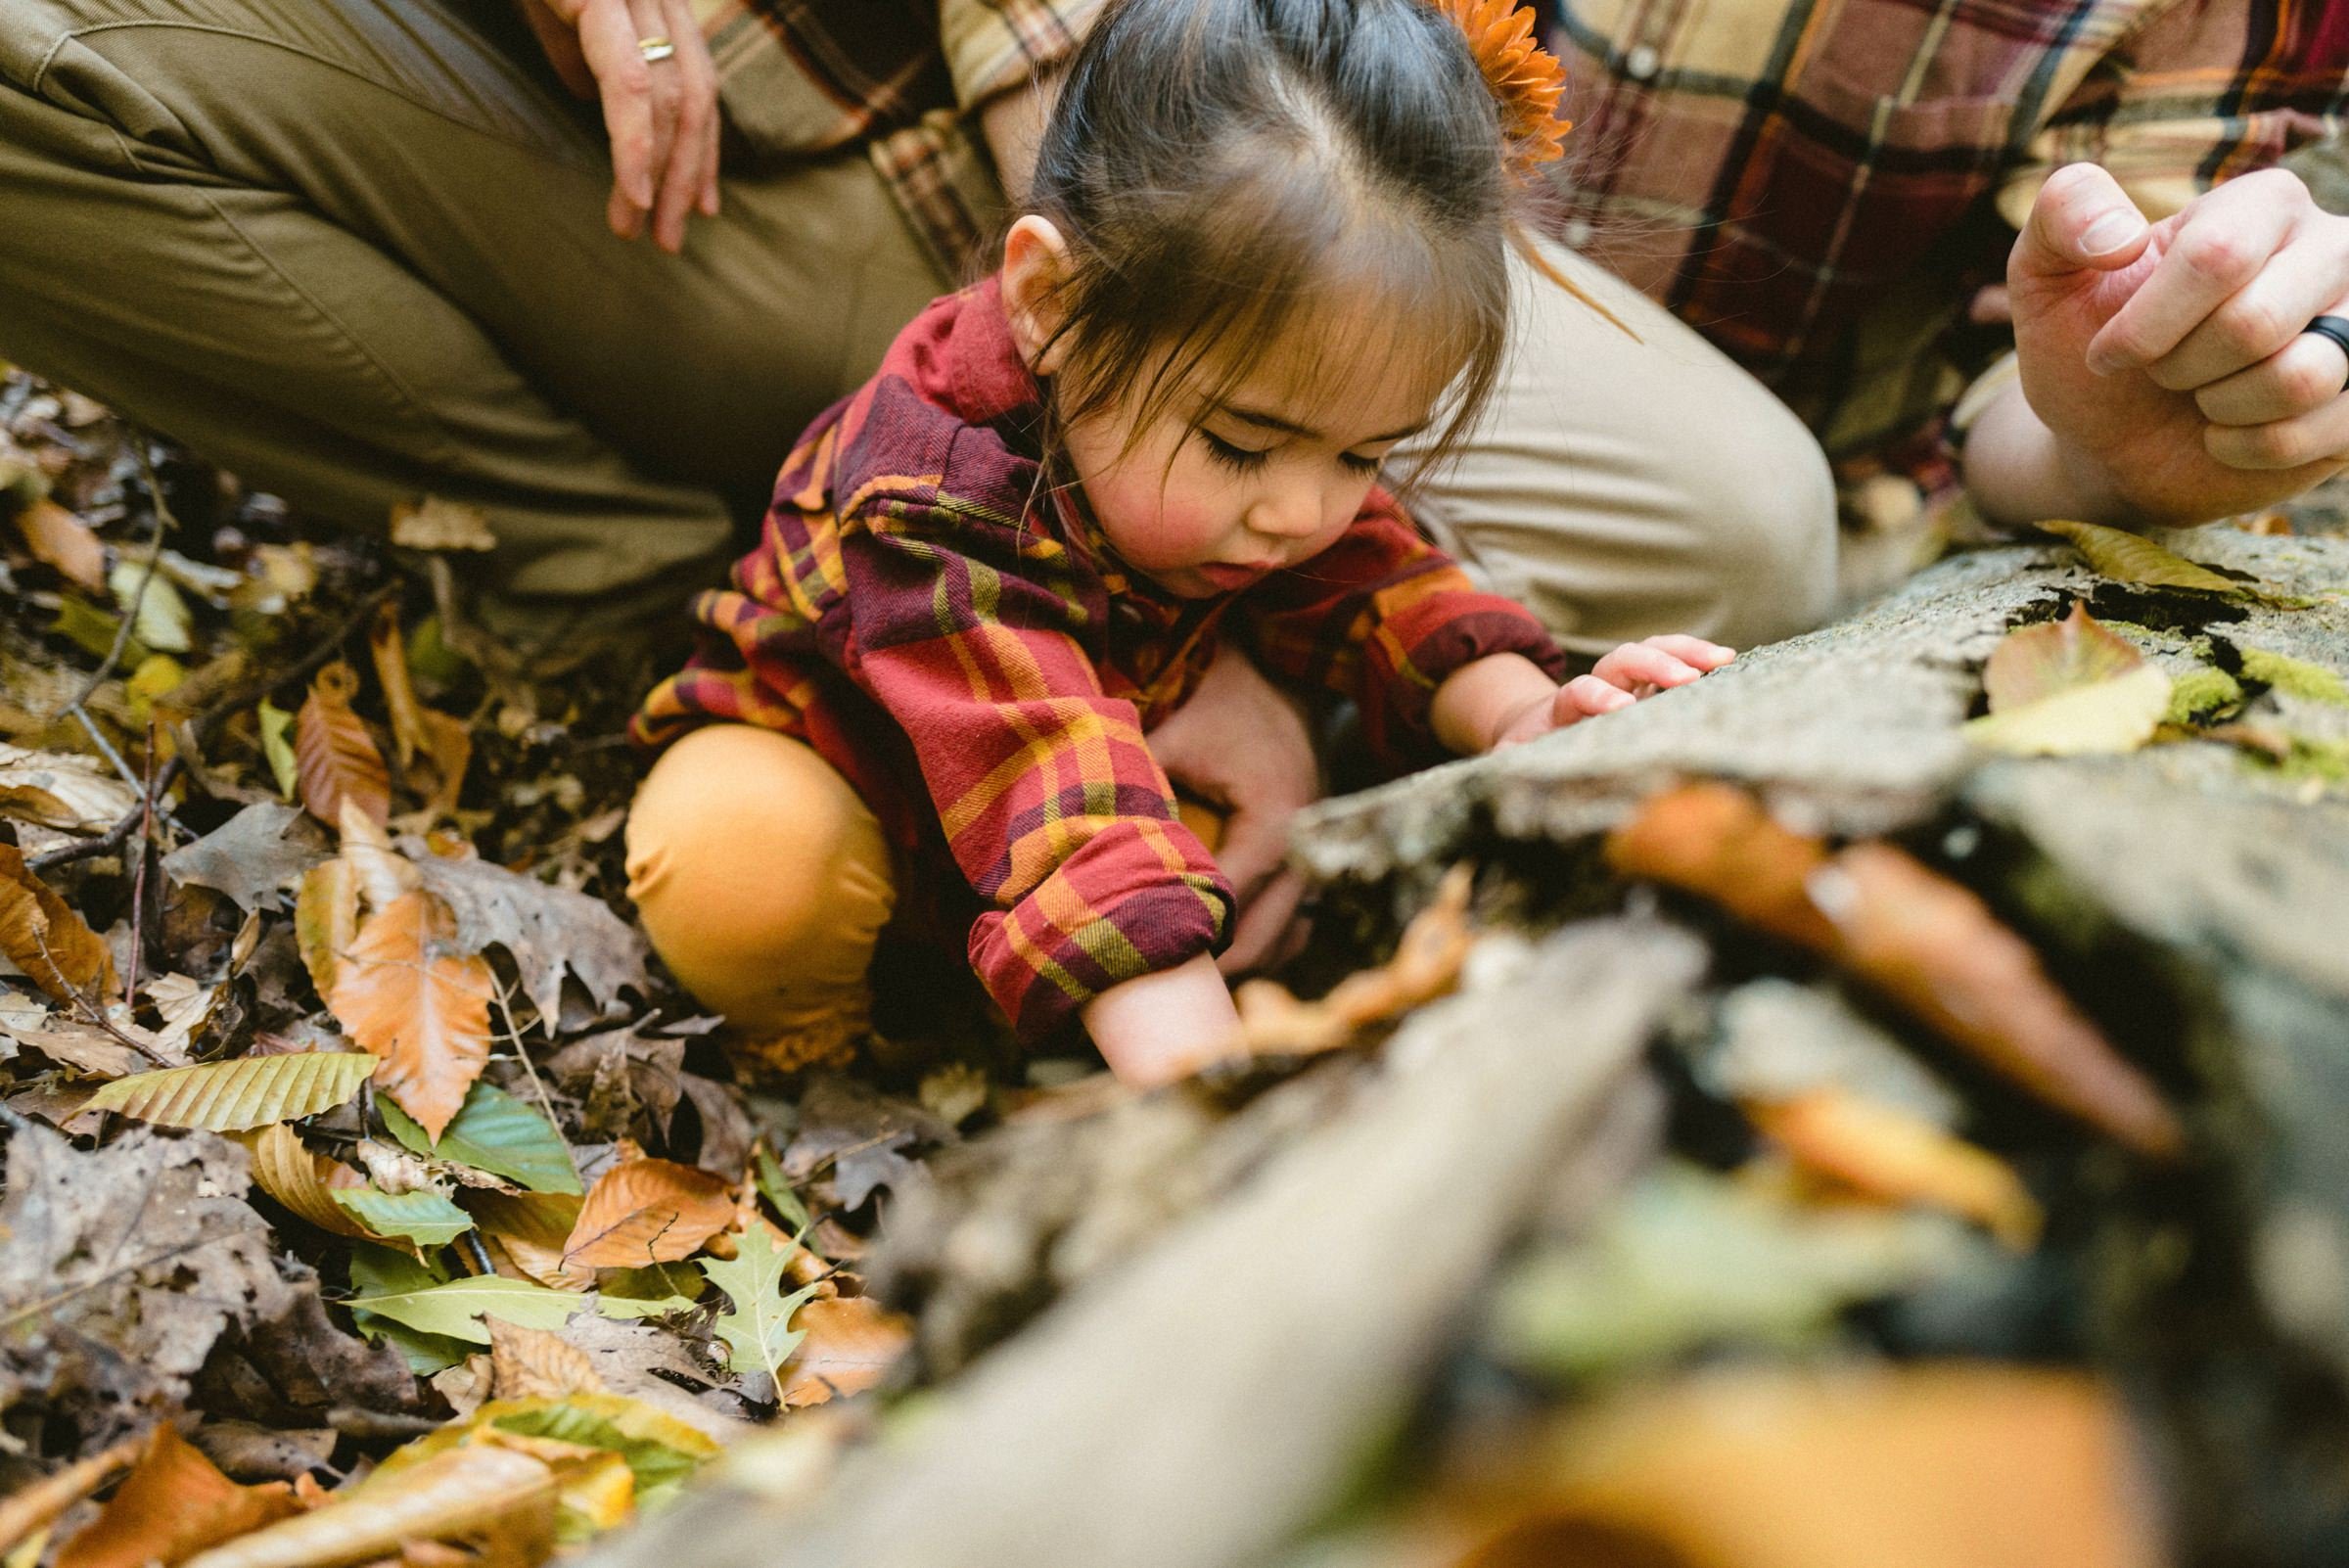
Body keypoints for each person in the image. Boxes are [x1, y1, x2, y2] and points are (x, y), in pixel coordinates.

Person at [619, 0, 1736, 1086]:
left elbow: (1380, 583)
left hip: (1103, 781)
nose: (1302, 515)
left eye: (1360, 456)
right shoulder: (927, 501)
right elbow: (1052, 789)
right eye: (1245, 447)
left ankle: (1080, 1012)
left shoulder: (1238, 462)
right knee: (744, 873)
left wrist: (1522, 713)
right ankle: (842, 1057)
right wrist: (1210, 1094)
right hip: (875, 785)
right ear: (1050, 302)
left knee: (1208, 858)